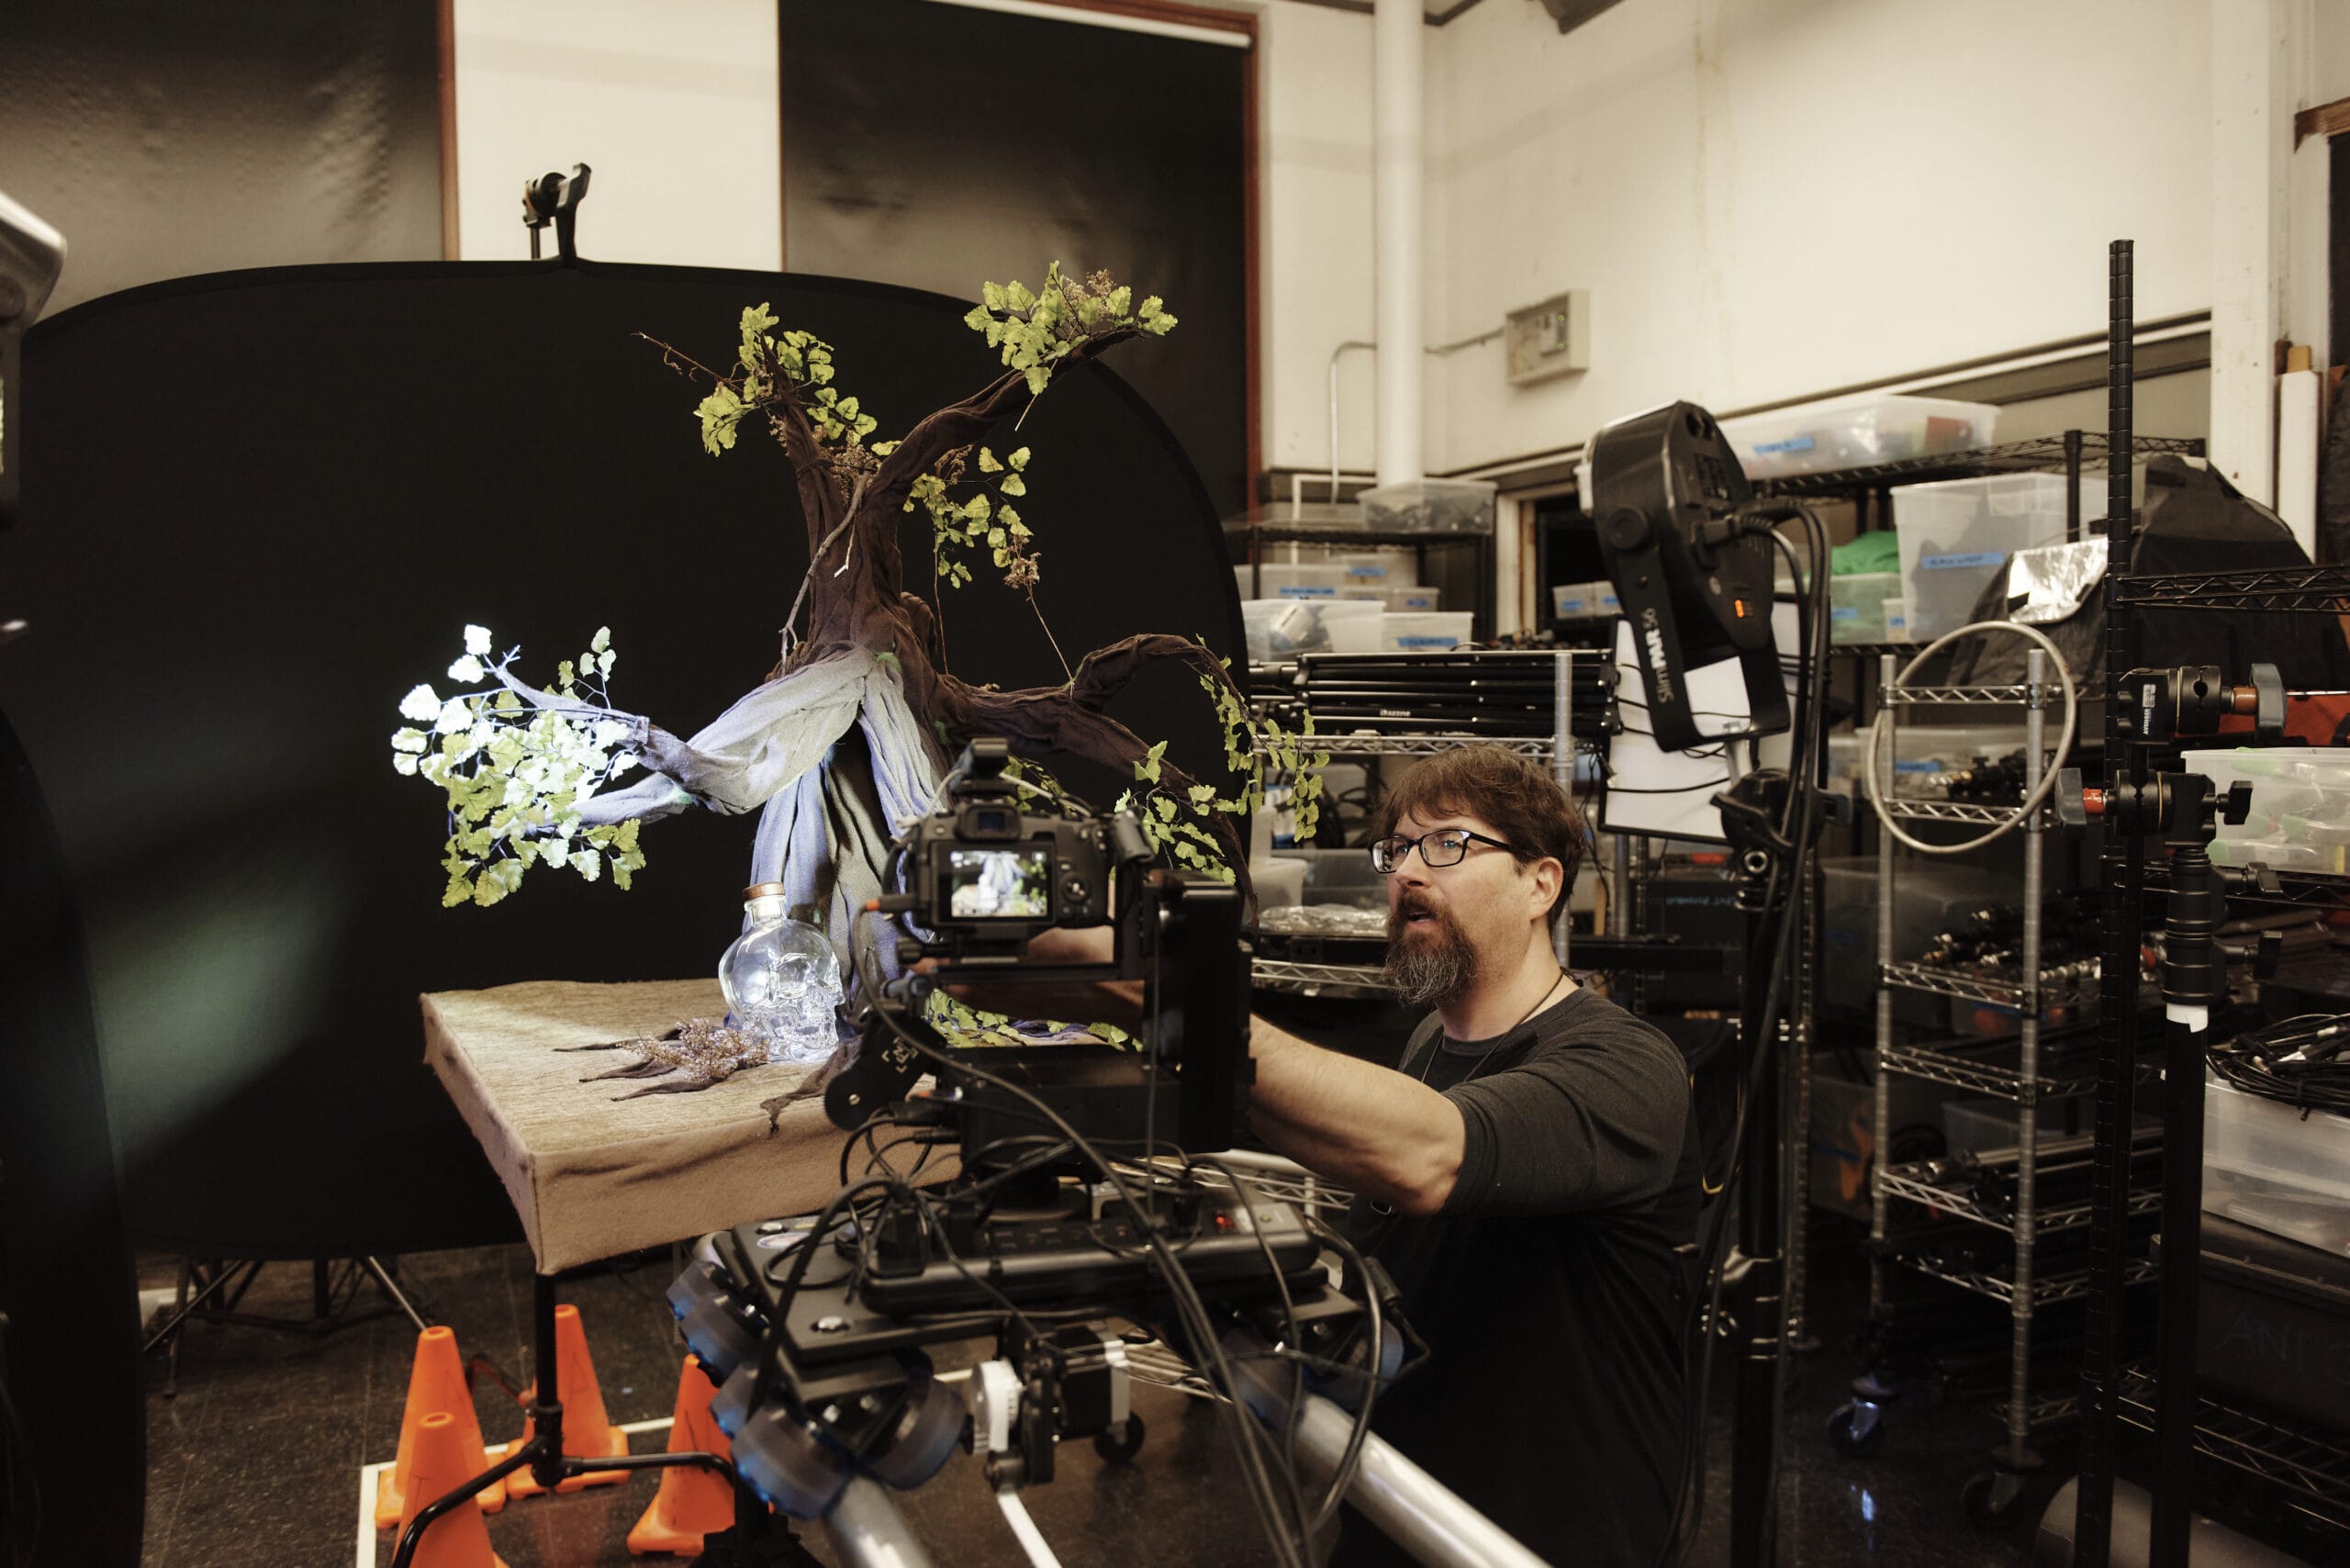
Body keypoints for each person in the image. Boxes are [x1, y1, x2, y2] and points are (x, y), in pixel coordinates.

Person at [1244, 745, 1700, 1567]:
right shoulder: (1428, 1039)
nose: (1411, 872)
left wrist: (1175, 1003)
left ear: (1542, 884)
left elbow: (1432, 1157)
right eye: (1399, 849)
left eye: (1450, 844)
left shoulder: (1627, 1067)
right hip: (1399, 1505)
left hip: (1547, 1536)